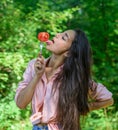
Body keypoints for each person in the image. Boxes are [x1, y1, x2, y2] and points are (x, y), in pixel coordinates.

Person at [15, 29, 113, 130]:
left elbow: (108, 100)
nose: (57, 34)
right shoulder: (34, 66)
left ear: (68, 53)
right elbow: (20, 103)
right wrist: (37, 76)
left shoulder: (74, 77)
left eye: (63, 37)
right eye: (60, 33)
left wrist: (80, 109)